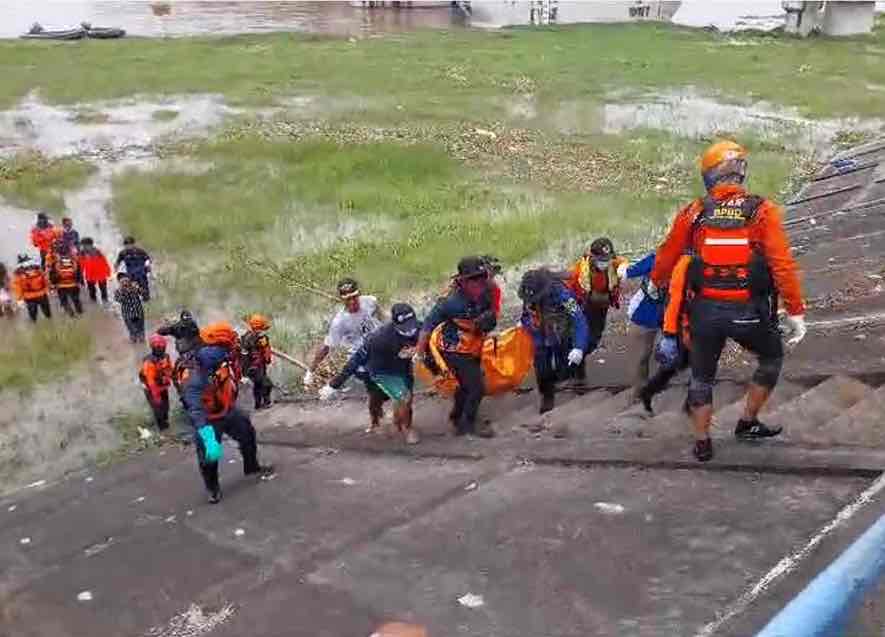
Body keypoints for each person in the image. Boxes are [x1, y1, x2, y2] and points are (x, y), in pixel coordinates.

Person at [651, 140, 806, 462]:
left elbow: (666, 257)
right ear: (741, 172)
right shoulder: (761, 210)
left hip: (705, 312)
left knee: (701, 376)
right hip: (748, 310)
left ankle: (702, 442)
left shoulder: (694, 212)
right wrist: (795, 310)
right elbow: (782, 264)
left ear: (709, 175)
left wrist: (655, 284)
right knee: (771, 358)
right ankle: (747, 422)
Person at [416, 257, 497, 438]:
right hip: (454, 350)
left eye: (482, 277)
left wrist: (488, 319)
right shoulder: (449, 302)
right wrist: (419, 354)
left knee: (466, 386)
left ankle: (456, 417)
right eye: (473, 279)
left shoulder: (487, 291)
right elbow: (427, 326)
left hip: (473, 346)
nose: (479, 282)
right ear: (462, 281)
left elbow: (491, 313)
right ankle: (467, 425)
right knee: (477, 387)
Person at [183, 345, 275, 503]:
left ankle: (251, 466)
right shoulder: (193, 381)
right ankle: (212, 488)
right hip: (207, 419)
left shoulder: (221, 366)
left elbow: (233, 366)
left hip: (227, 411)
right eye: (220, 363)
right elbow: (195, 410)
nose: (223, 364)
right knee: (209, 454)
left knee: (247, 433)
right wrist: (206, 434)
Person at [320, 303, 421, 443]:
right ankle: (386, 424)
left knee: (405, 399)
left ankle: (402, 424)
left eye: (412, 325)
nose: (410, 331)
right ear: (395, 325)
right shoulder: (378, 339)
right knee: (384, 398)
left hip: (402, 368)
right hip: (380, 371)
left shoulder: (420, 328)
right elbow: (355, 360)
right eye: (405, 328)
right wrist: (333, 385)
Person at [518, 268, 592, 413]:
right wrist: (524, 323)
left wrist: (579, 347)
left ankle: (576, 377)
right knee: (542, 368)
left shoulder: (563, 295)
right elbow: (526, 314)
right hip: (539, 334)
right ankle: (547, 397)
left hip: (561, 331)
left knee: (566, 363)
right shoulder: (529, 293)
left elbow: (579, 319)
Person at [566, 237, 629, 379]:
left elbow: (623, 261)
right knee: (580, 338)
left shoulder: (613, 263)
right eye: (601, 260)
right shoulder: (578, 270)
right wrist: (572, 310)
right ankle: (576, 369)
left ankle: (577, 357)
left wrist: (624, 267)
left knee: (594, 340)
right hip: (582, 307)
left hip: (601, 307)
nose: (605, 263)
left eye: (607, 259)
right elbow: (567, 292)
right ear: (592, 257)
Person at [303, 277, 383, 389]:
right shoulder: (340, 322)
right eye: (347, 299)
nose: (352, 302)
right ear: (342, 299)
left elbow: (381, 316)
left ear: (359, 293)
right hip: (361, 358)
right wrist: (310, 371)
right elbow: (326, 347)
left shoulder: (370, 301)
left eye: (354, 297)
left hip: (380, 346)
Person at [641, 254, 694, 414]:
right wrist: (670, 334)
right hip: (682, 321)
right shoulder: (685, 264)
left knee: (683, 363)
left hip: (688, 319)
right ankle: (689, 408)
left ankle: (648, 392)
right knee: (696, 365)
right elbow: (675, 301)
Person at [621, 252, 667, 402]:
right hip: (645, 312)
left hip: (671, 313)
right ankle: (640, 391)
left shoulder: (687, 262)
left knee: (668, 353)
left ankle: (659, 385)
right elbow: (629, 272)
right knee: (642, 355)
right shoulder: (654, 259)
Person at [140, 334, 174, 431]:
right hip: (151, 389)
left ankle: (166, 422)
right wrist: (156, 395)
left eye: (162, 346)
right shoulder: (149, 363)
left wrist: (173, 378)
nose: (160, 349)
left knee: (166, 407)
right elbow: (151, 382)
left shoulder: (166, 357)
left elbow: (170, 370)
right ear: (153, 347)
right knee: (158, 409)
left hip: (162, 386)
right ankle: (162, 428)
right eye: (158, 347)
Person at [241, 314, 274, 410]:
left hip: (250, 367)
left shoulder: (245, 337)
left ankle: (258, 404)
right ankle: (266, 403)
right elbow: (265, 353)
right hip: (257, 366)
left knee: (257, 385)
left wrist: (244, 371)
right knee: (266, 384)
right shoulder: (261, 338)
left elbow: (243, 354)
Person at [12, 255, 51, 322]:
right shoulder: (19, 276)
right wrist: (19, 299)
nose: (29, 268)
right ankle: (34, 324)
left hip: (41, 294)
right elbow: (17, 288)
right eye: (27, 267)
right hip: (29, 297)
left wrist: (48, 290)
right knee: (33, 314)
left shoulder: (39, 271)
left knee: (47, 313)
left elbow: (45, 281)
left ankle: (49, 322)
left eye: (30, 266)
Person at [48, 243, 83, 317]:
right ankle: (80, 312)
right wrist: (79, 282)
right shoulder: (74, 261)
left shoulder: (55, 263)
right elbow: (79, 272)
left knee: (64, 302)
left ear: (58, 253)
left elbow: (52, 276)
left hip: (61, 286)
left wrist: (53, 285)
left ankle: (71, 315)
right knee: (76, 300)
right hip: (74, 285)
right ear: (69, 251)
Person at [115, 236, 152, 301]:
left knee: (145, 290)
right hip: (131, 274)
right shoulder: (123, 253)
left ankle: (146, 299)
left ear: (133, 244)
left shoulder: (140, 251)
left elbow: (147, 259)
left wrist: (148, 265)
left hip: (141, 273)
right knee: (133, 290)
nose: (128, 247)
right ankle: (135, 302)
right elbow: (118, 261)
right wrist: (116, 267)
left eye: (130, 245)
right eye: (126, 245)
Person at [78, 237, 112, 304]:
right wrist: (80, 276)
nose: (83, 247)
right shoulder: (82, 253)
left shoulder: (98, 252)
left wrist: (108, 272)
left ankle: (105, 302)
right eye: (82, 245)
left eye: (84, 245)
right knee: (92, 290)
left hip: (101, 274)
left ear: (90, 245)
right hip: (90, 275)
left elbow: (104, 262)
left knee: (103, 289)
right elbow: (81, 265)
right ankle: (94, 303)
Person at [114, 272, 145, 343]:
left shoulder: (135, 286)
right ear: (119, 283)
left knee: (140, 326)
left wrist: (137, 288)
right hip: (127, 313)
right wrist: (124, 292)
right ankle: (133, 335)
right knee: (130, 327)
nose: (125, 283)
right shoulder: (118, 291)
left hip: (138, 311)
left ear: (129, 280)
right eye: (122, 282)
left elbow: (143, 293)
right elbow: (118, 300)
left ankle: (141, 335)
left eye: (126, 281)